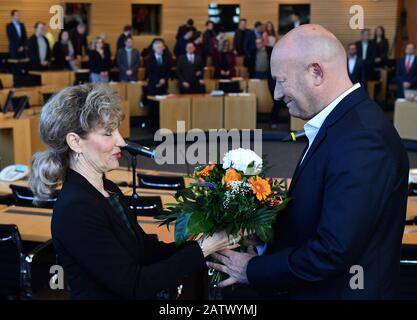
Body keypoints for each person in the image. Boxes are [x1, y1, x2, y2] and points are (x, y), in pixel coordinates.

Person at [208, 24, 409, 300]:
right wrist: (266, 239)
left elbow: (332, 250)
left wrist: (253, 269)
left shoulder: (362, 138)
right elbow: (318, 218)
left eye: (281, 80)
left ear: (316, 72)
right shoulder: (345, 124)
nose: (277, 94)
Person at [29, 84, 239, 299]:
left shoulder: (106, 188)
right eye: (108, 133)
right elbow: (134, 285)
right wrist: (201, 250)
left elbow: (143, 249)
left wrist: (203, 243)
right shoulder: (76, 209)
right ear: (75, 142)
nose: (122, 141)